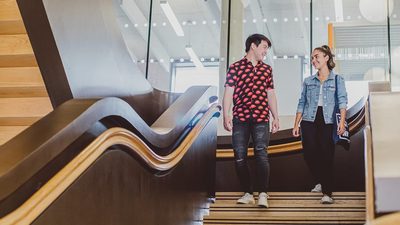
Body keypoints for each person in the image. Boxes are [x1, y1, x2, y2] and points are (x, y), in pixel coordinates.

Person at [222, 33, 279, 208]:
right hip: (240, 117)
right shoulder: (235, 67)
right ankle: (248, 192)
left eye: (267, 49)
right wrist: (226, 114)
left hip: (262, 117)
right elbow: (228, 92)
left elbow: (270, 94)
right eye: (264, 47)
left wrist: (276, 116)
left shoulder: (266, 69)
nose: (265, 52)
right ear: (253, 46)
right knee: (239, 156)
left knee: (261, 153)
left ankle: (263, 193)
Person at [292, 45, 348, 204]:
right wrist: (296, 124)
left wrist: (342, 122)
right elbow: (301, 103)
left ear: (326, 58)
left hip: (328, 120)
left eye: (316, 56)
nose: (313, 60)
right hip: (309, 120)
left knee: (327, 154)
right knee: (309, 153)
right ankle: (321, 180)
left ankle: (327, 193)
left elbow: (343, 101)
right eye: (311, 57)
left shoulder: (338, 79)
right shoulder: (308, 81)